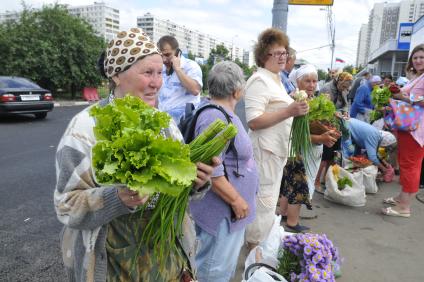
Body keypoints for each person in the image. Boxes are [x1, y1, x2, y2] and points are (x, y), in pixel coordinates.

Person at [53, 28, 219, 282]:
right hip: (116, 268)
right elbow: (67, 206)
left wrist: (195, 181)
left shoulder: (164, 124)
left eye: (160, 73)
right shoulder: (85, 129)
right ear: (116, 75)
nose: (157, 82)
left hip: (170, 262)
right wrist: (117, 197)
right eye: (147, 73)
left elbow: (178, 193)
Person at [189, 61, 259, 282]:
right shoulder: (214, 117)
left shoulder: (222, 113)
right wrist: (237, 200)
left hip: (226, 213)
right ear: (237, 90)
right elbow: (212, 170)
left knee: (219, 267)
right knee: (212, 271)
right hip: (222, 212)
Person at [244, 28, 309, 247]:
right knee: (263, 202)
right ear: (264, 56)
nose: (283, 57)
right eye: (277, 53)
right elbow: (253, 121)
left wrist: (296, 107)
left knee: (268, 201)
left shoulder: (276, 79)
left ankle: (259, 250)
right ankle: (253, 252)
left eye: (285, 52)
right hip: (265, 152)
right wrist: (289, 111)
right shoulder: (259, 80)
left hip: (276, 151)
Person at [279, 64, 338, 232]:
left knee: (288, 184)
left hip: (308, 150)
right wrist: (320, 137)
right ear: (298, 82)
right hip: (299, 151)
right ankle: (292, 222)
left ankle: (283, 214)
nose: (312, 85)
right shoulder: (296, 101)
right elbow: (293, 133)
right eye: (307, 81)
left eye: (314, 81)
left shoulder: (312, 100)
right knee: (299, 186)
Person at [382, 44, 424, 218]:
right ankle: (401, 198)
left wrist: (403, 97)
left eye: (422, 57)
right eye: (415, 57)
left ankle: (404, 207)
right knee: (406, 162)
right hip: (408, 127)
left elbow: (416, 100)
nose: (418, 60)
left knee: (410, 166)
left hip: (416, 129)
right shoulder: (418, 77)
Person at [315, 72, 353, 192]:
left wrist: (346, 112)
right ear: (339, 81)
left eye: (347, 87)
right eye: (344, 86)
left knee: (333, 155)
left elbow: (345, 105)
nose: (345, 89)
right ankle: (316, 182)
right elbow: (322, 108)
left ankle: (327, 180)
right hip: (325, 125)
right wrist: (334, 113)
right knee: (325, 156)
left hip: (337, 125)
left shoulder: (343, 90)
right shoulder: (327, 88)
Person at [157, 35, 203, 123]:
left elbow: (195, 90)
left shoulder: (191, 66)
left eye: (167, 55)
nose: (164, 60)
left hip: (184, 125)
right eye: (161, 56)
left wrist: (178, 69)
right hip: (163, 123)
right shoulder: (161, 68)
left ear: (177, 52)